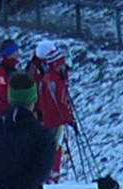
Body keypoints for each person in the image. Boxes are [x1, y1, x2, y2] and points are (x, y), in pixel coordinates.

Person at [27, 39, 77, 180]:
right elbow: (57, 99)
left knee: (52, 144)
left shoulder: (41, 71)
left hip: (45, 114)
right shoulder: (44, 74)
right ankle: (50, 174)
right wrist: (68, 118)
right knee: (51, 144)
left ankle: (51, 173)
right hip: (45, 115)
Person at [0, 39, 21, 122]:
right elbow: (3, 93)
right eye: (16, 51)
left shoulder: (10, 69)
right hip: (6, 115)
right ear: (9, 53)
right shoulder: (2, 72)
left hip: (11, 113)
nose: (19, 54)